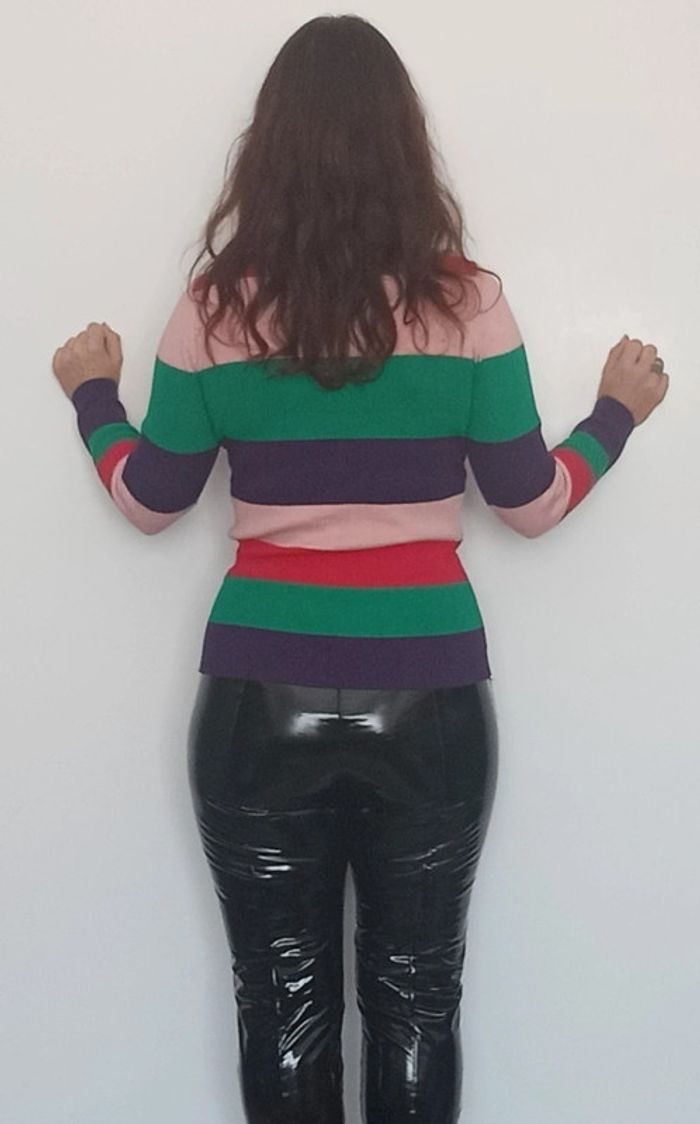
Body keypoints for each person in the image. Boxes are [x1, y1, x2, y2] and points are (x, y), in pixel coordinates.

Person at [51, 14, 669, 1124]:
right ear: (404, 146)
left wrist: (94, 394)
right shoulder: (468, 305)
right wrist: (613, 415)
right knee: (416, 1002)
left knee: (284, 1005)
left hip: (258, 704)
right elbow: (531, 502)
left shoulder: (214, 310)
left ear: (267, 148)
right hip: (429, 701)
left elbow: (150, 500)